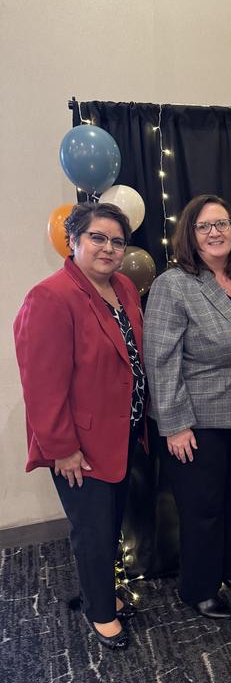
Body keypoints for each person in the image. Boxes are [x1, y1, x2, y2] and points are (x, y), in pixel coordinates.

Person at [14, 202, 145, 651]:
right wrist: (62, 448)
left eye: (117, 241)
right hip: (80, 444)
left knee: (107, 527)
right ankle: (100, 613)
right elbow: (42, 385)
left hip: (122, 433)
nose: (109, 248)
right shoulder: (50, 296)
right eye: (98, 237)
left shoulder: (123, 287)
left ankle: (98, 592)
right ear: (73, 241)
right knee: (92, 530)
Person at [144, 194, 231, 620]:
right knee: (203, 507)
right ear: (190, 236)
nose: (215, 233)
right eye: (204, 226)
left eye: (222, 224)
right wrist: (175, 425)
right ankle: (199, 587)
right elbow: (160, 360)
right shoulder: (173, 284)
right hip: (197, 420)